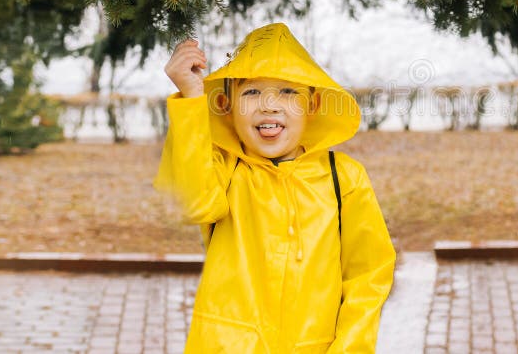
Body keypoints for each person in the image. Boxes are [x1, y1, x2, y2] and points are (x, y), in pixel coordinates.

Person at [154, 22, 396, 353]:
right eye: (252, 92)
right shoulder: (225, 169)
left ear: (312, 106)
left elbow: (368, 277)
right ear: (226, 104)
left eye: (287, 91)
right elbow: (196, 203)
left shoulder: (344, 178)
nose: (269, 105)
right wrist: (192, 97)